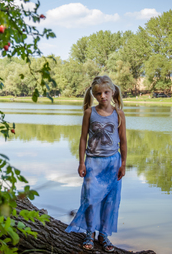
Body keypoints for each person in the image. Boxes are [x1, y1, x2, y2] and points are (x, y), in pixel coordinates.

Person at [65, 75, 127, 252]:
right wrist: (81, 163)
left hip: (113, 164)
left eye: (106, 92)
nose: (103, 96)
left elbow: (123, 141)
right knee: (91, 200)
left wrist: (123, 164)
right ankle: (89, 233)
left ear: (112, 92)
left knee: (110, 201)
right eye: (99, 94)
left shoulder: (119, 113)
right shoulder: (89, 113)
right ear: (94, 95)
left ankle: (104, 235)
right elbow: (83, 139)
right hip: (93, 163)